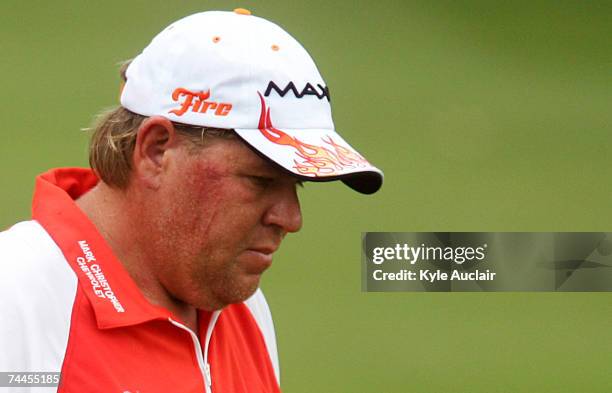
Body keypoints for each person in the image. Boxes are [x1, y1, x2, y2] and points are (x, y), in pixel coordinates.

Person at [0, 8, 383, 393]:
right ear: (156, 150)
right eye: (259, 180)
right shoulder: (16, 295)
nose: (291, 219)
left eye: (297, 184)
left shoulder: (243, 310)